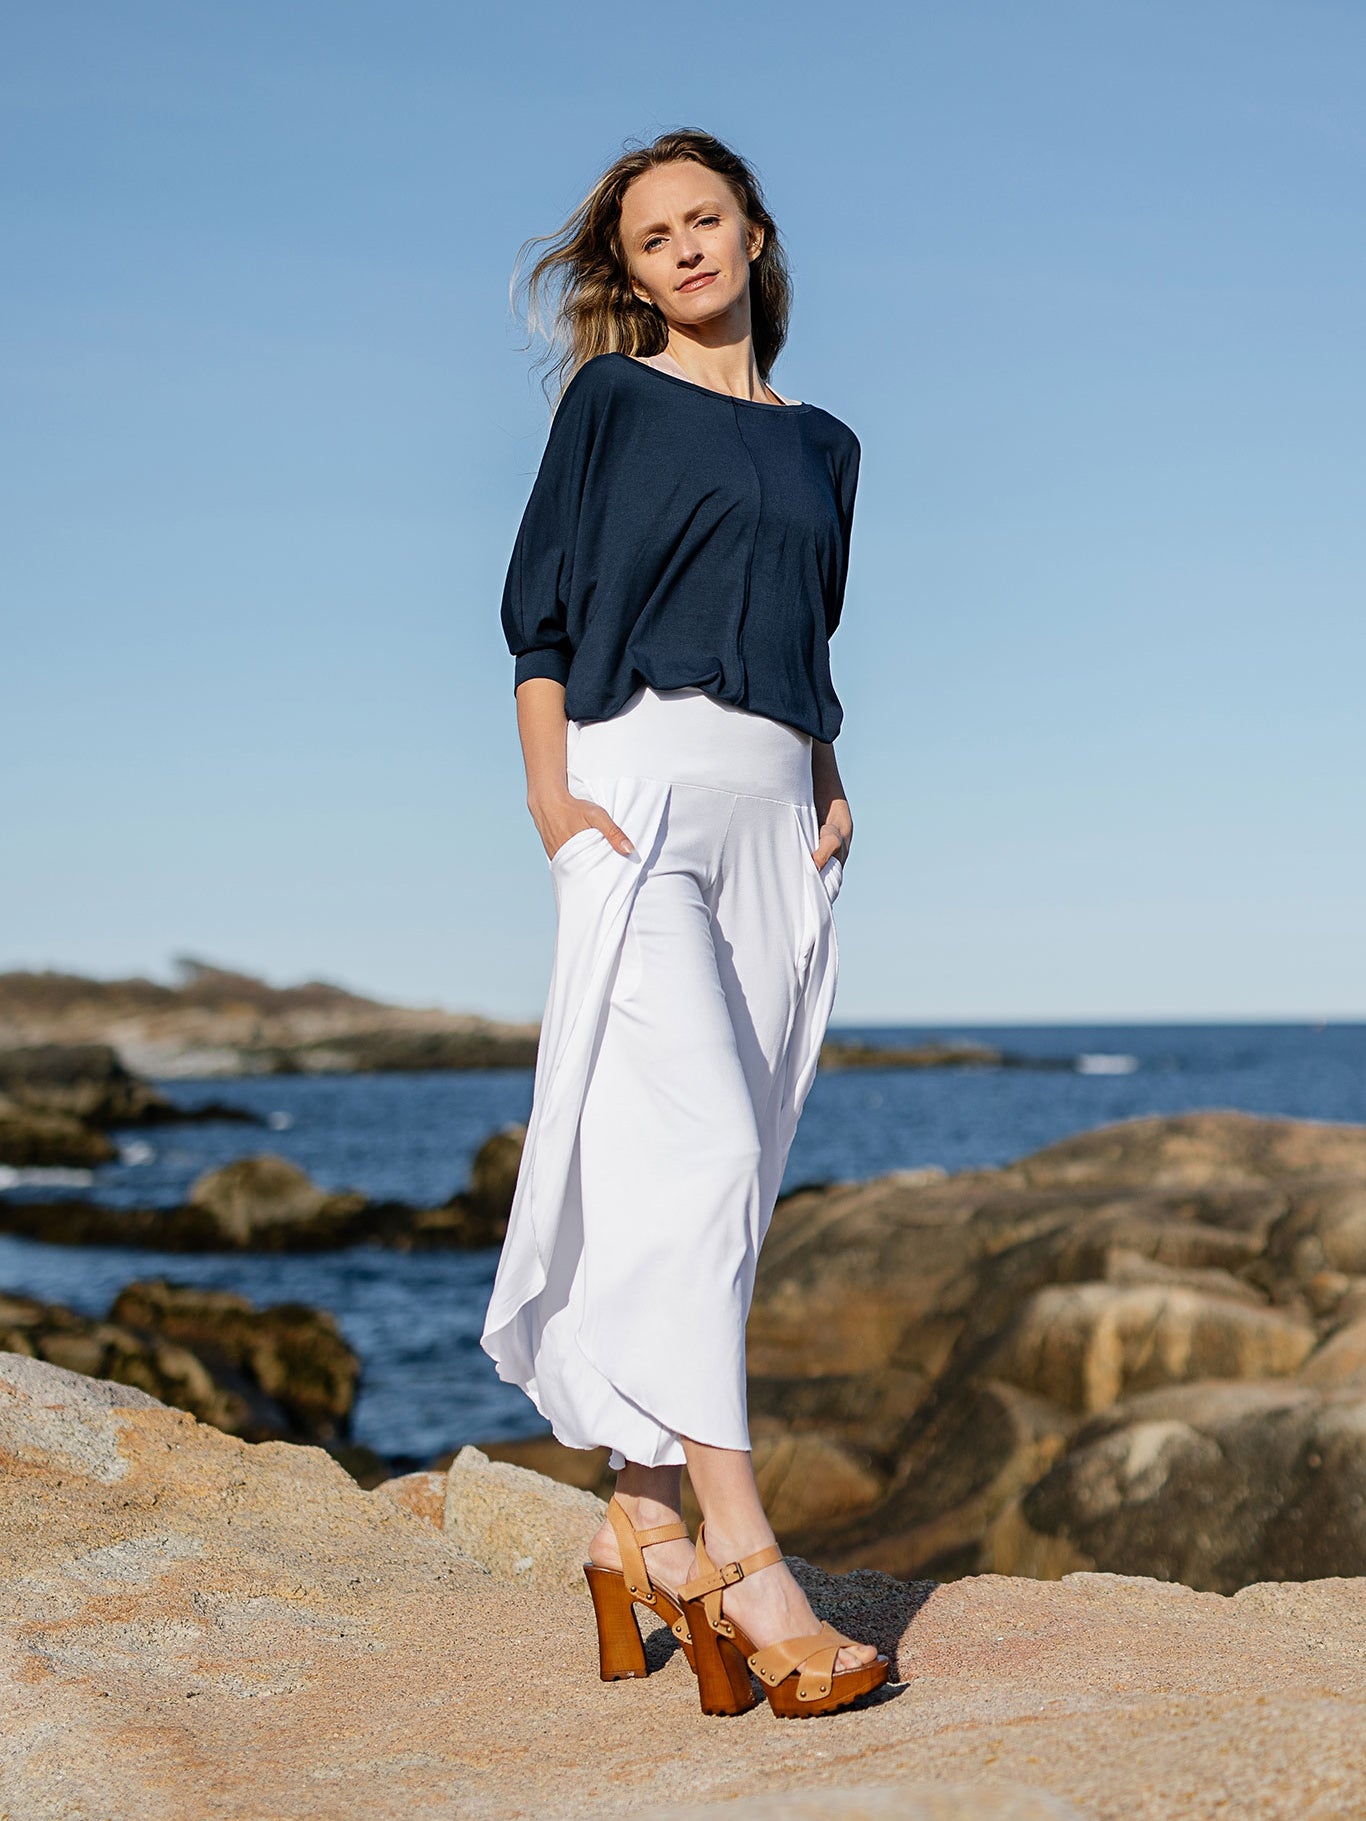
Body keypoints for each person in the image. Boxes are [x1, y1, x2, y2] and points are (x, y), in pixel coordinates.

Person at [480, 127, 888, 1719]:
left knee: (731, 1175)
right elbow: (540, 609)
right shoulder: (612, 402)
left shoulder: (827, 445)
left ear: (753, 232)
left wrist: (828, 775)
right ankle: (744, 1556)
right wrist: (549, 797)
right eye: (655, 239)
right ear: (634, 274)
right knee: (702, 1149)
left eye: (705, 220)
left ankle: (634, 1523)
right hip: (633, 793)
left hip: (778, 814)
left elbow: (806, 630)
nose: (688, 250)